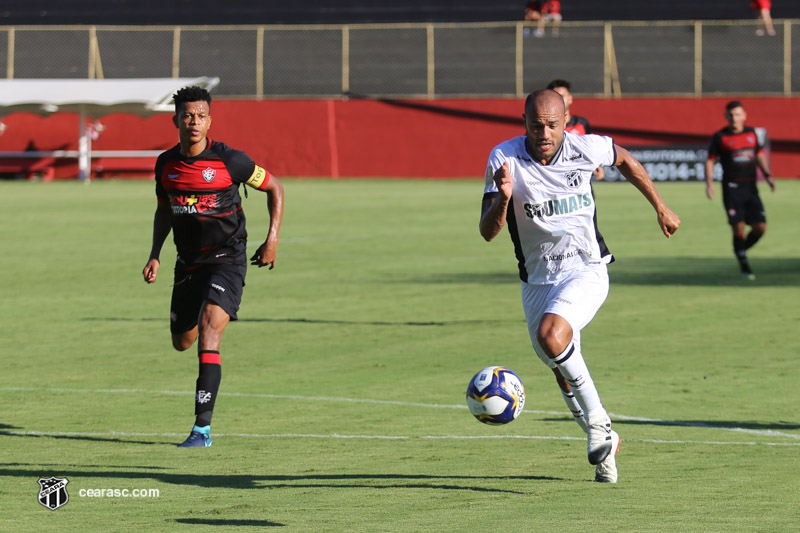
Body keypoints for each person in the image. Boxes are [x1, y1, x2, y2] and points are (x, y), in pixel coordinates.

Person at [479, 89, 680, 483]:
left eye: (552, 125)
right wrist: (503, 198)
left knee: (552, 336)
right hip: (537, 281)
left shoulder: (586, 148)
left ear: (565, 122)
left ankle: (600, 423)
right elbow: (487, 232)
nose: (544, 134)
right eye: (536, 126)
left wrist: (660, 205)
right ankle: (606, 452)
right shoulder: (503, 158)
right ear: (524, 124)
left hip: (586, 269)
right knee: (560, 368)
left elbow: (625, 159)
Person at [142, 86, 285, 447]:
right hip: (188, 262)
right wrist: (155, 253)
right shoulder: (165, 164)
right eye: (188, 115)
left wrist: (272, 239)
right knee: (182, 341)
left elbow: (275, 187)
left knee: (209, 331)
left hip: (228, 258)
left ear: (210, 121)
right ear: (176, 119)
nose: (194, 122)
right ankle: (201, 414)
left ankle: (201, 429)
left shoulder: (230, 161)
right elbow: (164, 210)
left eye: (201, 116)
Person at [705, 100, 775, 280]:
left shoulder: (751, 133)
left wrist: (767, 175)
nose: (734, 118)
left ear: (744, 116)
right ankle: (745, 266)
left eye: (737, 114)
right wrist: (709, 183)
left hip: (751, 188)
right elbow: (710, 160)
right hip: (731, 188)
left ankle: (740, 250)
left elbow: (758, 154)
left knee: (760, 228)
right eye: (730, 114)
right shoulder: (720, 136)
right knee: (739, 227)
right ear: (726, 116)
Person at [546, 79, 605, 180]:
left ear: (570, 98)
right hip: (553, 179)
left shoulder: (581, 123)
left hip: (580, 180)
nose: (559, 100)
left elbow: (589, 148)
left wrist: (597, 165)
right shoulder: (543, 127)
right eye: (555, 96)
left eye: (562, 96)